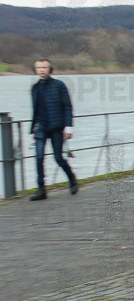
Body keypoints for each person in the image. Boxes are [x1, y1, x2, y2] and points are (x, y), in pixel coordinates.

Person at [29, 58, 78, 201]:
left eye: (44, 67)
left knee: (58, 158)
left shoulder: (59, 85)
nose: (42, 70)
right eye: (39, 67)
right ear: (35, 70)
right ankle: (41, 189)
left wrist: (68, 127)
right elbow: (36, 110)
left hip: (57, 127)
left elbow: (68, 106)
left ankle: (72, 179)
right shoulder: (35, 88)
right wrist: (33, 130)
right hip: (40, 128)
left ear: (50, 69)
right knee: (39, 158)